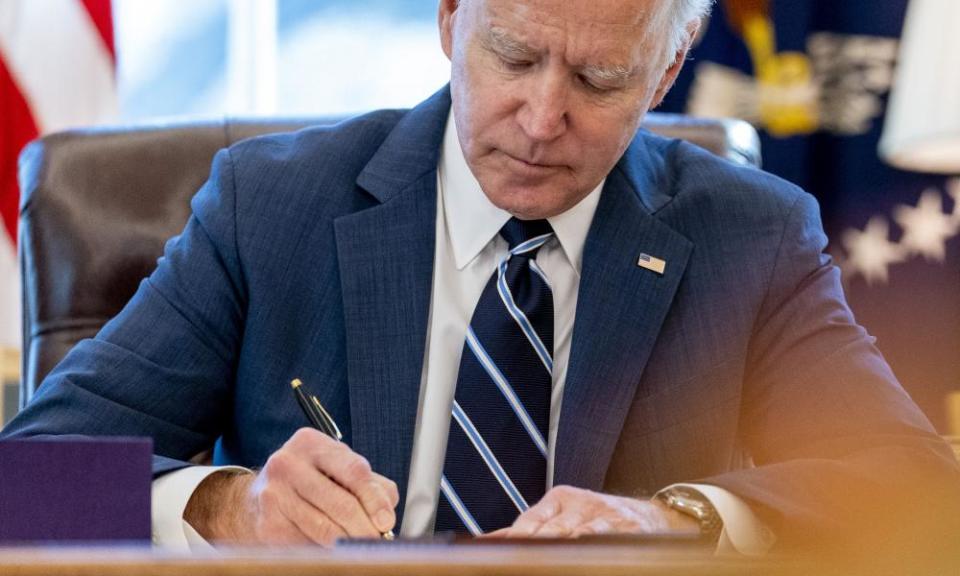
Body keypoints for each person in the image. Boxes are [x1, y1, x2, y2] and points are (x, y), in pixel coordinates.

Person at [3, 0, 958, 558]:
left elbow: (915, 487)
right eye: (514, 55)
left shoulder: (751, 235)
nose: (542, 119)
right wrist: (227, 507)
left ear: (665, 74)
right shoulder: (270, 207)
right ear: (451, 19)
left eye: (598, 81)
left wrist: (675, 521)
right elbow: (26, 481)